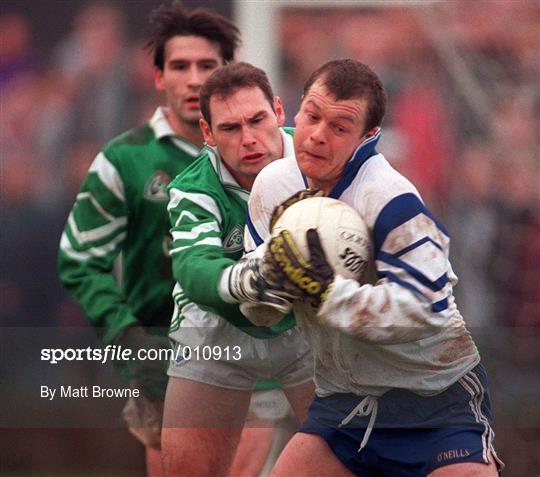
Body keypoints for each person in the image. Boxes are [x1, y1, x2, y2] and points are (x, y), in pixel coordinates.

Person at [241, 59, 504, 476]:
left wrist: (329, 293)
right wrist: (264, 280)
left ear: (368, 136)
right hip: (345, 401)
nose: (318, 136)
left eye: (340, 128)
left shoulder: (391, 199)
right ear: (297, 110)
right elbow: (259, 310)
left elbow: (423, 310)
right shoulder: (274, 185)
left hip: (433, 400)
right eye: (312, 115)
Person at [58, 4, 239, 475]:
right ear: (158, 77)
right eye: (180, 66)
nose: (194, 79)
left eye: (208, 66)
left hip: (252, 351)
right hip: (166, 365)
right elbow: (80, 259)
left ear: (229, 74)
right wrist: (127, 335)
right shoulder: (126, 159)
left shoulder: (263, 152)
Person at [162, 62, 314, 477]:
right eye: (230, 128)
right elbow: (192, 266)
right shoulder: (193, 187)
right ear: (208, 134)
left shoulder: (319, 158)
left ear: (279, 112)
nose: (248, 139)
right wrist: (247, 282)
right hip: (217, 329)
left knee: (358, 461)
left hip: (310, 326)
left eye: (257, 120)